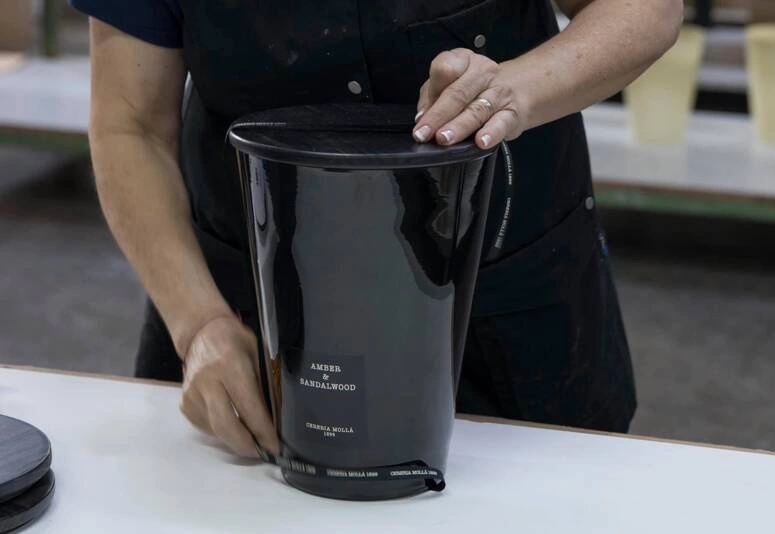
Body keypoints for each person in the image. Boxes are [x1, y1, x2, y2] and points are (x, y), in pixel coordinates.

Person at [71, 0, 683, 458]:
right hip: (253, 316)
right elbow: (131, 126)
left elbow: (646, 9)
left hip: (498, 303)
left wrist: (513, 89)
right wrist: (198, 324)